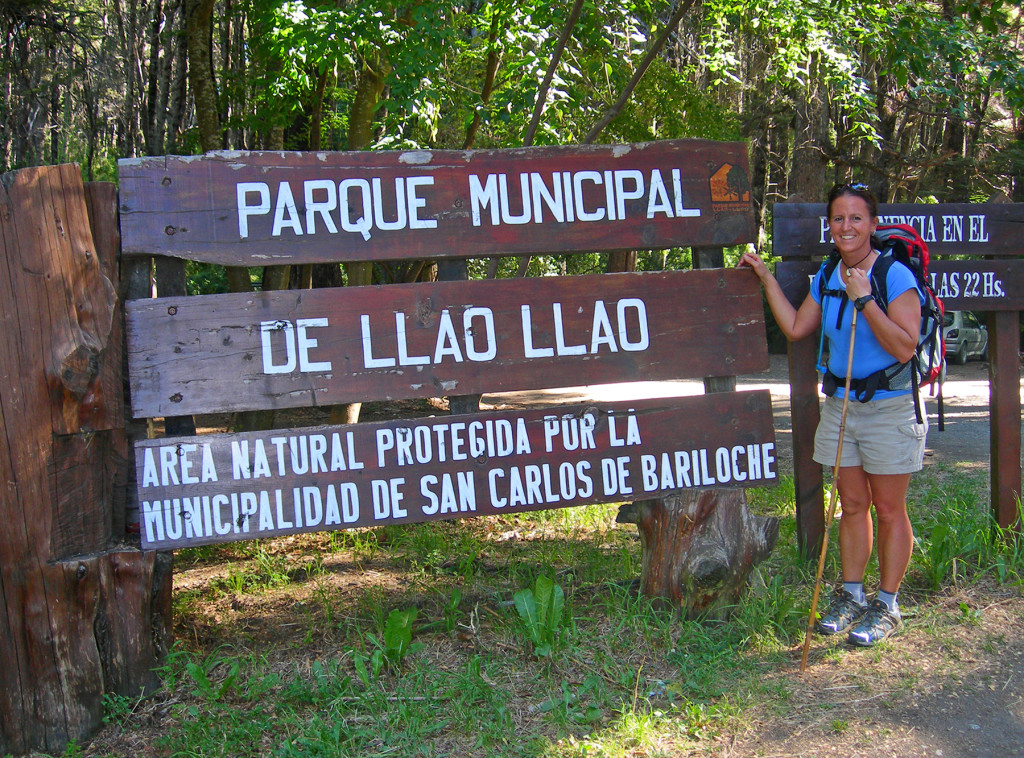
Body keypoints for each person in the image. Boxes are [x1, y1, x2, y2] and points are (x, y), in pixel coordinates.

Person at [739, 182, 927, 647]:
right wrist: (765, 277)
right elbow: (799, 328)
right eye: (839, 218)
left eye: (856, 218)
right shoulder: (828, 275)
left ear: (872, 224)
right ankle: (851, 595)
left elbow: (905, 347)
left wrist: (864, 299)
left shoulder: (894, 276)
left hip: (888, 406)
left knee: (887, 508)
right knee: (853, 505)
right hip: (841, 405)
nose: (846, 226)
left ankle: (887, 604)